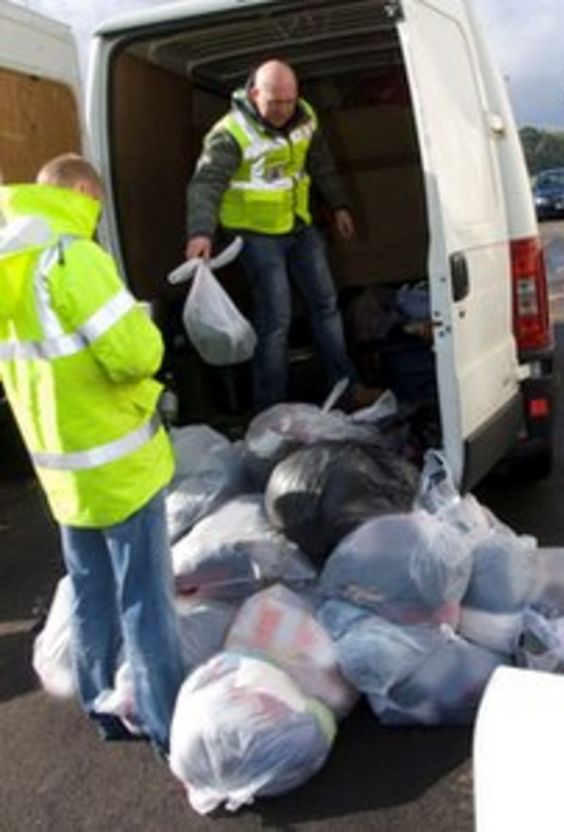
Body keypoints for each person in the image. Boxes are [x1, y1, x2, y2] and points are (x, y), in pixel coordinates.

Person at [0, 154, 184, 755]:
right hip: (118, 466)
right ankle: (168, 727)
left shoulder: (11, 263)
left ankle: (101, 707)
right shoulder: (72, 257)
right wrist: (147, 329)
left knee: (89, 592)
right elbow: (135, 355)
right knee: (145, 603)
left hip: (62, 470)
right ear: (83, 192)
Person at [186, 59, 373, 412]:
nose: (284, 110)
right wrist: (200, 232)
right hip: (255, 235)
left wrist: (339, 205)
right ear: (255, 93)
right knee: (276, 319)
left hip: (299, 226)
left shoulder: (305, 117)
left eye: (290, 101)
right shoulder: (229, 133)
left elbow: (320, 164)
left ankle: (346, 387)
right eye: (275, 102)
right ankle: (269, 408)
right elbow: (205, 184)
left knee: (326, 305)